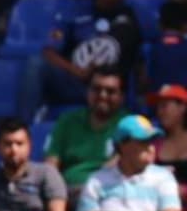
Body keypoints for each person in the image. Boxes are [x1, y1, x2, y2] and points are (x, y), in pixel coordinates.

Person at [21, 0, 142, 118]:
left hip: (111, 89)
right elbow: (49, 52)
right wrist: (75, 70)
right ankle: (24, 125)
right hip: (76, 83)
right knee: (35, 64)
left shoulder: (133, 17)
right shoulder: (74, 11)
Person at [77, 114, 182, 211]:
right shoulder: (96, 181)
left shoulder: (164, 177)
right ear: (122, 145)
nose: (151, 148)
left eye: (151, 142)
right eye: (143, 142)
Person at [45, 69, 129, 199]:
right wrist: (56, 194)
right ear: (88, 92)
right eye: (96, 89)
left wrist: (91, 188)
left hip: (109, 191)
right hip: (68, 192)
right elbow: (51, 164)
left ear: (122, 97)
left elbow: (123, 162)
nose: (102, 95)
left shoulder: (128, 124)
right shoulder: (67, 121)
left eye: (110, 91)